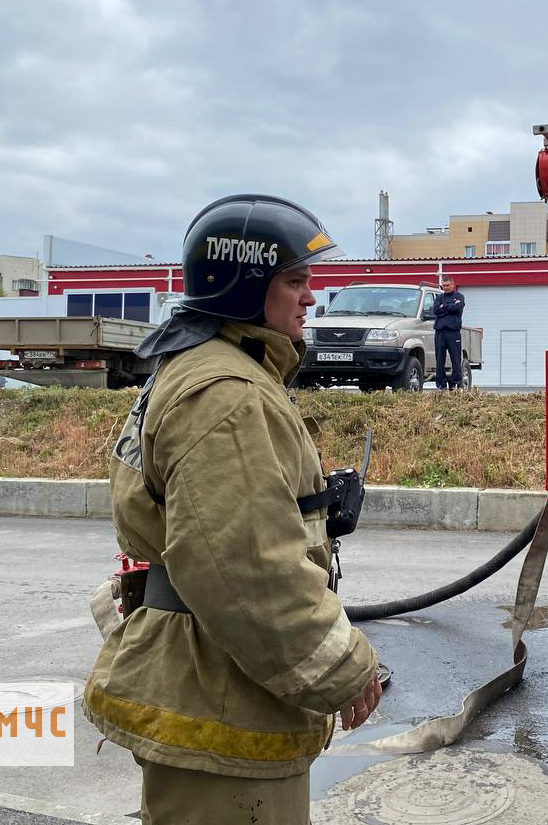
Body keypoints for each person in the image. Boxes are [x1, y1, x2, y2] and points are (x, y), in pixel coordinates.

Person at [84, 195, 381, 825]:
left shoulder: (204, 369)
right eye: (295, 282)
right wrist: (347, 670)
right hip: (222, 702)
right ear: (246, 287)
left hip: (205, 683)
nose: (310, 298)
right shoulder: (227, 395)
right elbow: (247, 572)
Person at [432, 275, 466, 390]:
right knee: (439, 359)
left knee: (456, 359)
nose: (445, 287)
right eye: (444, 285)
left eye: (447, 285)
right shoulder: (439, 297)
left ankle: (455, 382)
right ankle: (441, 385)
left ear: (453, 284)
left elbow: (458, 308)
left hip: (453, 332)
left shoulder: (459, 296)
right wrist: (448, 308)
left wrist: (444, 307)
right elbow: (435, 310)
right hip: (440, 332)